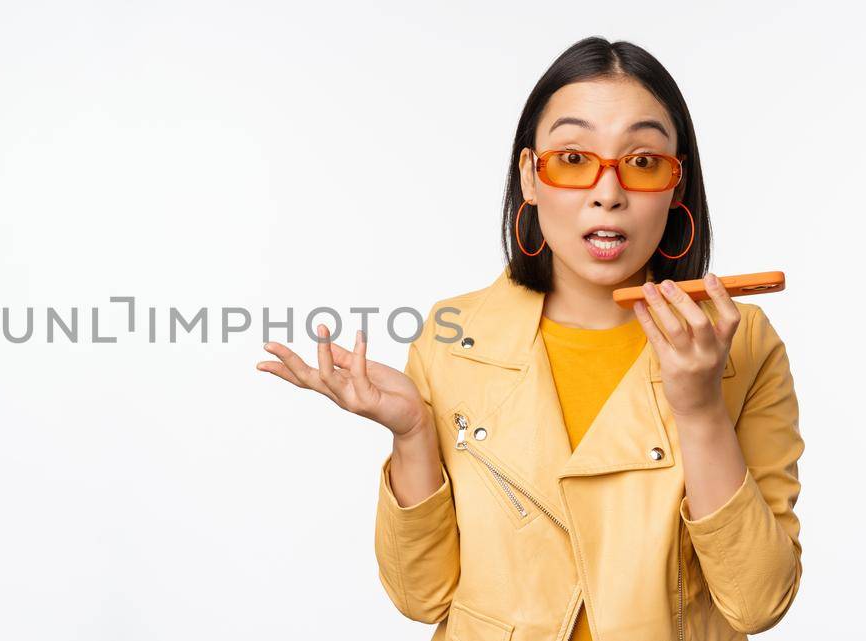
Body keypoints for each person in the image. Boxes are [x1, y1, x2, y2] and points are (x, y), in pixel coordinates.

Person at [255, 36, 804, 641]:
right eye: (572, 158)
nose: (607, 191)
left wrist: (700, 410)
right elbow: (422, 596)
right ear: (530, 178)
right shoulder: (452, 339)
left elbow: (757, 602)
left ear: (676, 186)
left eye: (642, 161)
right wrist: (412, 434)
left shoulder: (742, 344)